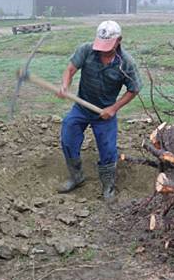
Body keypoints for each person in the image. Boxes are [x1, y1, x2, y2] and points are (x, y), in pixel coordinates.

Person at [57, 20, 142, 199]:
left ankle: (108, 185)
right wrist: (65, 85)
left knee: (108, 149)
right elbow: (70, 69)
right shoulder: (86, 50)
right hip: (82, 106)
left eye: (108, 46)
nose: (102, 49)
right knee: (68, 134)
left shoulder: (126, 63)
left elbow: (134, 89)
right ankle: (76, 176)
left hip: (105, 113)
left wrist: (113, 108)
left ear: (119, 40)